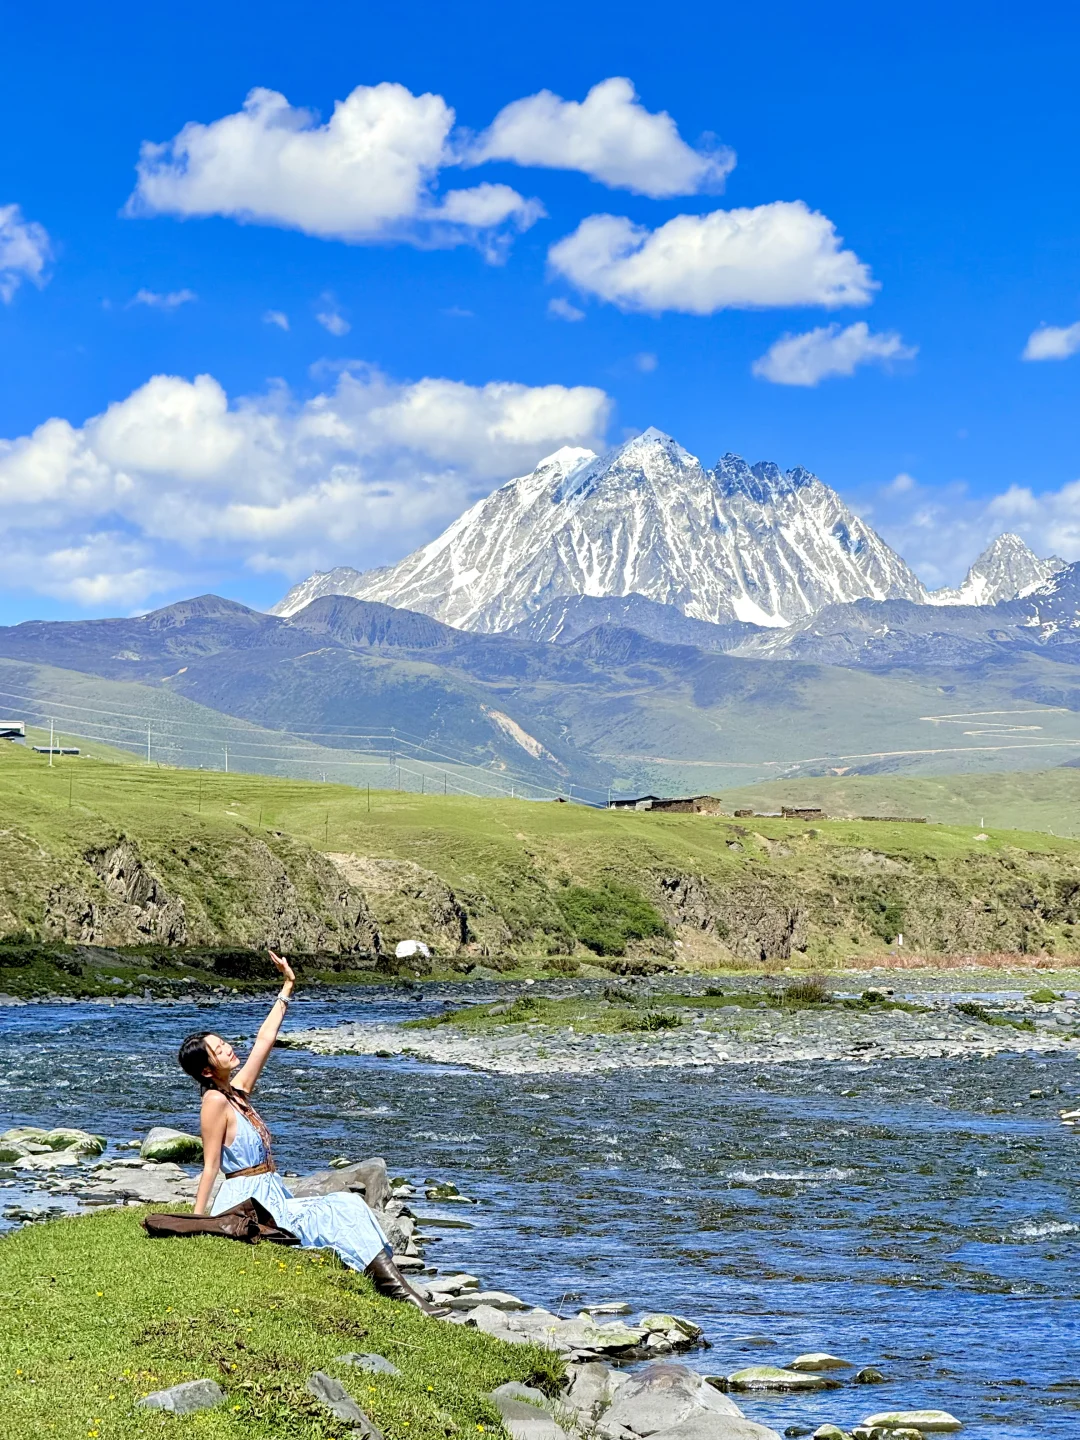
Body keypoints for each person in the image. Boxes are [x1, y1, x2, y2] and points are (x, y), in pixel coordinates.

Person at [177, 950, 443, 1315]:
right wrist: (198, 1220)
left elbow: (263, 1042)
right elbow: (210, 1167)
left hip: (272, 1193)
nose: (228, 1048)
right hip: (250, 1201)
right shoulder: (214, 1102)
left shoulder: (235, 1092)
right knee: (342, 1207)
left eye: (224, 1043)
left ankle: (398, 1289)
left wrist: (287, 986)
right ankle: (404, 1296)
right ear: (207, 1070)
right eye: (219, 1050)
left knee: (345, 1205)